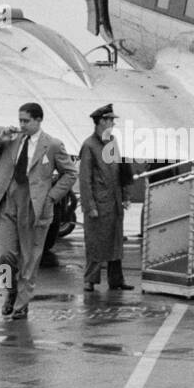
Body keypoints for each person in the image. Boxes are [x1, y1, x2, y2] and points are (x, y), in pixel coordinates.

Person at [0, 102, 77, 319]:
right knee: (4, 256)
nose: (22, 125)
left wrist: (51, 197)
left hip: (35, 207)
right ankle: (9, 291)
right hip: (9, 201)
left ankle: (22, 303)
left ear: (38, 120)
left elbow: (70, 173)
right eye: (20, 120)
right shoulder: (12, 139)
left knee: (29, 259)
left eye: (26, 121)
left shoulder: (52, 145)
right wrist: (0, 138)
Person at [78, 103, 134, 293]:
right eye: (110, 120)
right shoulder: (89, 145)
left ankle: (116, 279)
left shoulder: (112, 141)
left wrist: (125, 195)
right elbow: (85, 179)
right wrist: (89, 206)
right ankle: (90, 279)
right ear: (101, 121)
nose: (113, 124)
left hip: (114, 199)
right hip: (99, 202)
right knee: (95, 241)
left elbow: (119, 170)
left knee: (116, 240)